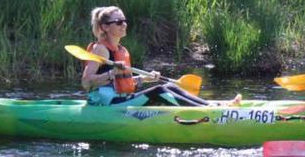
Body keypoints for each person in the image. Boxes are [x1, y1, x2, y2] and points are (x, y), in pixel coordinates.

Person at [80, 6, 211, 107]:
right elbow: (86, 82)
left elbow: (122, 83)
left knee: (170, 87)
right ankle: (206, 112)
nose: (124, 24)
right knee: (159, 90)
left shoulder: (122, 50)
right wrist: (111, 73)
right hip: (108, 104)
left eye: (125, 21)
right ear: (105, 27)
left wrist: (145, 78)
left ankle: (210, 106)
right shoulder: (100, 49)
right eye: (118, 22)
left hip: (122, 99)